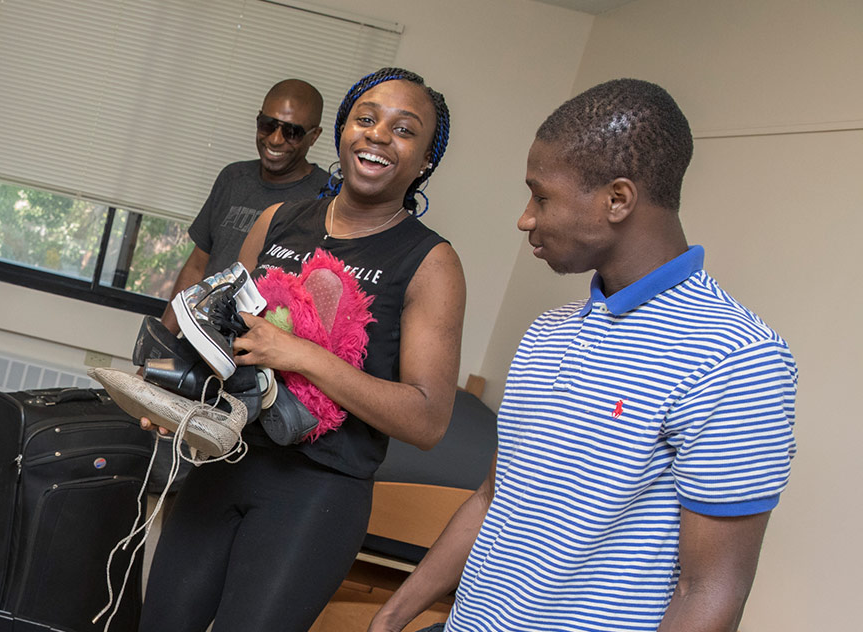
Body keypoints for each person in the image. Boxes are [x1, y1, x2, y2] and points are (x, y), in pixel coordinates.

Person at [369, 79, 798, 632]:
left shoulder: (738, 358)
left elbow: (710, 590)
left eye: (541, 196)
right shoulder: (547, 332)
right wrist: (391, 617)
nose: (526, 217)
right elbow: (491, 499)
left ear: (617, 200)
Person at [139, 67, 465, 632]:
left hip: (317, 493)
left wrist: (301, 354)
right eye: (366, 119)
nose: (378, 135)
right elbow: (224, 337)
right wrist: (178, 402)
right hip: (226, 459)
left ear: (425, 161)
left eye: (404, 129)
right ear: (341, 132)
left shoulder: (431, 263)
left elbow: (428, 420)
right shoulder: (277, 220)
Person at [160, 79, 330, 331]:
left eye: (291, 132)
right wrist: (162, 341)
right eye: (268, 125)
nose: (275, 139)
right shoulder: (233, 178)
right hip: (201, 337)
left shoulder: (327, 198)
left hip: (264, 346)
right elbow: (197, 267)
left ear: (313, 136)